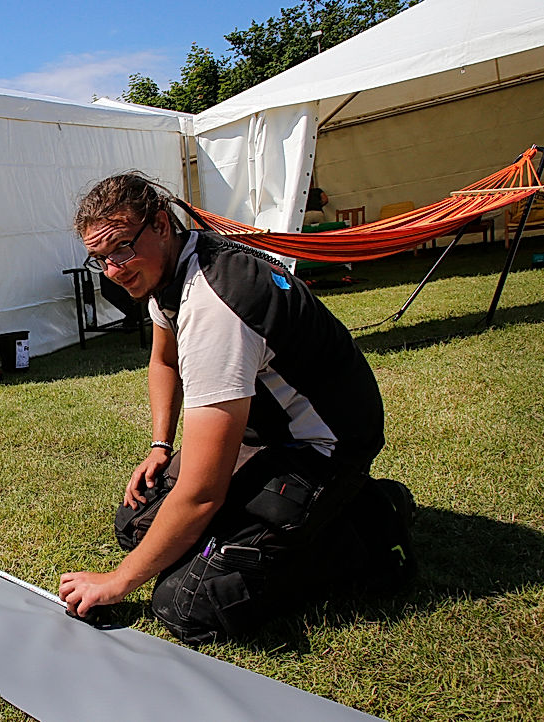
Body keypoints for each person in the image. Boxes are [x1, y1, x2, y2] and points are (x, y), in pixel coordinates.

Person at [58, 173, 414, 644]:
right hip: (265, 431)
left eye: (121, 248)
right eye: (99, 258)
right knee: (136, 527)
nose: (113, 270)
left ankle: (367, 525)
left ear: (161, 224)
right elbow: (164, 360)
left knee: (187, 604)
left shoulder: (213, 304)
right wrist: (161, 444)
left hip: (324, 446)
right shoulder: (175, 263)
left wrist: (119, 581)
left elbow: (203, 492)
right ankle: (315, 518)